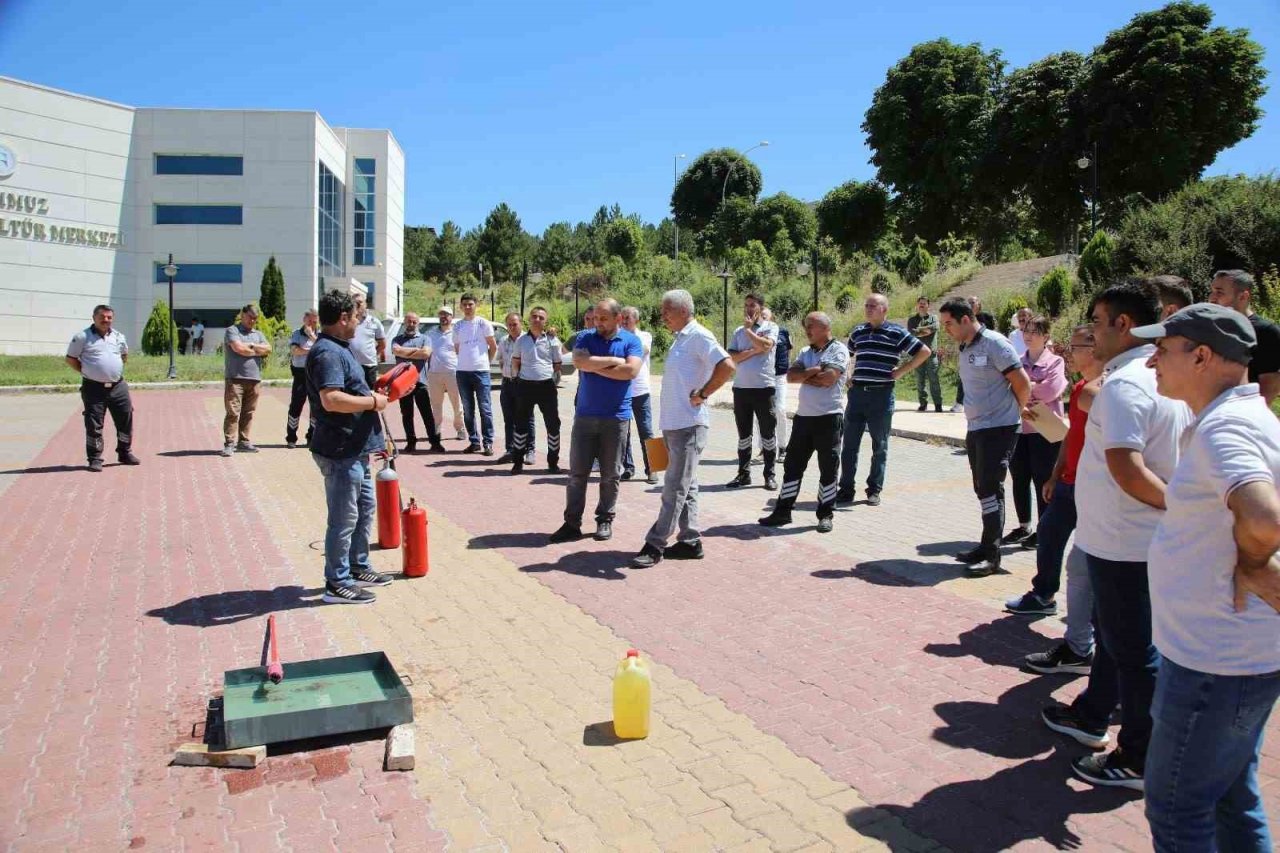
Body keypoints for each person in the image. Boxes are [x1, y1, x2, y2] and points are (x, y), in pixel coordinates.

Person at [1134, 304, 1280, 850]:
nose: (1152, 362)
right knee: (1231, 798)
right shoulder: (1246, 417)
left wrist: (1253, 563)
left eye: (1162, 349)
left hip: (1213, 666)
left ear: (1200, 356)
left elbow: (1265, 518)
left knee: (1176, 808)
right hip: (1232, 659)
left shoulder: (1226, 430)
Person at [1040, 279, 1191, 792]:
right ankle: (1092, 713)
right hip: (1131, 540)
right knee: (1117, 640)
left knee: (1134, 652)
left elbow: (1128, 469)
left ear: (1123, 325)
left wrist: (1180, 509)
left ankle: (1139, 755)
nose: (1091, 335)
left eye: (1099, 324)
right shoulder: (1160, 378)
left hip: (1125, 543)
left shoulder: (1125, 386)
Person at [1011, 326, 1103, 685]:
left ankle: (1085, 642)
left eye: (1078, 347)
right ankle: (1043, 594)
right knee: (1049, 533)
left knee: (1084, 563)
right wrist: (1056, 473)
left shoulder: (1106, 392)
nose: (1071, 353)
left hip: (1094, 488)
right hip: (1068, 481)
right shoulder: (1083, 389)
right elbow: (1070, 436)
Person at [631, 290, 734, 567]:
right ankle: (690, 541)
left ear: (683, 311)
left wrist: (703, 393)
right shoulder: (681, 339)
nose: (662, 315)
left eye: (667, 310)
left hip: (690, 425)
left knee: (674, 488)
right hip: (675, 426)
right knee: (687, 488)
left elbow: (727, 366)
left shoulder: (699, 335)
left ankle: (655, 544)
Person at [305, 289, 393, 605]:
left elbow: (346, 389)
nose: (358, 320)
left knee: (364, 509)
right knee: (343, 518)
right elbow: (331, 399)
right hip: (340, 450)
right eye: (355, 315)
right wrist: (372, 401)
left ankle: (357, 566)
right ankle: (337, 582)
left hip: (356, 448)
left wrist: (371, 392)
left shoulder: (340, 347)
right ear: (343, 318)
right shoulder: (328, 352)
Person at [939, 297, 1030, 577]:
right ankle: (984, 546)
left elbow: (1022, 383)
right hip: (976, 427)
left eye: (948, 324)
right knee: (982, 488)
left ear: (966, 319)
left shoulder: (995, 343)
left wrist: (1017, 412)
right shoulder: (965, 346)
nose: (946, 330)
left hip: (999, 428)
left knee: (991, 489)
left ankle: (992, 556)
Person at [548, 299, 643, 544]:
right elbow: (579, 362)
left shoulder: (631, 341)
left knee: (610, 475)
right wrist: (615, 362)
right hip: (585, 416)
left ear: (618, 318)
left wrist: (595, 366)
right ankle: (572, 523)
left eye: (603, 319)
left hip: (616, 418)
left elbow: (631, 372)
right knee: (577, 474)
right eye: (595, 318)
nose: (598, 323)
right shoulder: (586, 337)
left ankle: (604, 520)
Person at [836, 293, 931, 507]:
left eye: (873, 306)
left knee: (880, 445)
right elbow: (846, 355)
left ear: (884, 310)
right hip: (857, 395)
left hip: (882, 395)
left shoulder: (896, 333)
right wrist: (848, 376)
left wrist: (901, 371)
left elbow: (924, 351)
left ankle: (874, 489)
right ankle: (845, 489)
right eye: (867, 305)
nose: (868, 309)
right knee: (849, 445)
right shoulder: (858, 331)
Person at [758, 312, 849, 533]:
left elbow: (829, 379)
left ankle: (825, 514)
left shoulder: (838, 350)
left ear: (825, 327)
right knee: (792, 466)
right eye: (806, 326)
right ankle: (783, 511)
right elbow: (791, 376)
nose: (807, 330)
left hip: (829, 418)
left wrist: (807, 376)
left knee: (828, 468)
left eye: (811, 326)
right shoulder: (805, 352)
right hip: (804, 418)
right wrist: (814, 371)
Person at [1003, 316, 1067, 548]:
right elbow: (1008, 389)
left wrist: (1025, 389)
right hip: (1021, 428)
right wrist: (1026, 400)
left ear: (1046, 336)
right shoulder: (1017, 361)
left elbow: (1052, 390)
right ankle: (1023, 526)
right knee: (1019, 478)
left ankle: (1045, 529)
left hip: (1046, 429)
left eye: (1035, 331)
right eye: (1026, 330)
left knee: (1044, 480)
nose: (1028, 335)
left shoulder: (1055, 362)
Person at [65, 304, 138, 472]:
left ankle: (125, 453)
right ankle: (95, 458)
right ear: (94, 318)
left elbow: (124, 356)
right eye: (102, 317)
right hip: (93, 388)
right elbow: (71, 359)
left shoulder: (119, 336)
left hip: (118, 386)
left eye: (109, 317)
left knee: (125, 419)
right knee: (94, 423)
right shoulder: (82, 337)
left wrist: (112, 370)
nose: (106, 320)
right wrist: (87, 371)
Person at [726, 294, 780, 491]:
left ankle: (769, 475)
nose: (748, 309)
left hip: (764, 389)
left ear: (760, 308)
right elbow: (732, 357)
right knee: (744, 435)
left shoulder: (771, 327)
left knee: (767, 433)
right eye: (746, 305)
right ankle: (743, 474)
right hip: (741, 389)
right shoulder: (738, 331)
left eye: (753, 305)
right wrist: (753, 350)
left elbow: (766, 346)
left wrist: (750, 334)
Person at [1207, 269, 1280, 405]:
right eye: (1212, 291)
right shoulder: (1212, 328)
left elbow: (1270, 386)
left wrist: (1251, 414)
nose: (1212, 298)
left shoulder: (1266, 332)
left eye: (1219, 292)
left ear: (1243, 296)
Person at [511, 306, 563, 474]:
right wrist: (516, 379)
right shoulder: (521, 341)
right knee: (521, 425)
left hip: (546, 386)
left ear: (545, 321)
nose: (537, 320)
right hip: (525, 385)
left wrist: (554, 381)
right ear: (529, 319)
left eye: (541, 317)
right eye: (534, 316)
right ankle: (517, 461)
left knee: (553, 425)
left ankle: (553, 463)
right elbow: (516, 362)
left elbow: (557, 365)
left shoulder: (552, 340)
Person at [220, 304, 271, 457]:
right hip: (235, 379)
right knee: (233, 412)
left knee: (248, 413)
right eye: (250, 317)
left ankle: (244, 442)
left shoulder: (258, 334)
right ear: (242, 315)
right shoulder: (232, 331)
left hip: (254, 379)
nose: (252, 321)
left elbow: (268, 349)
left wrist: (251, 346)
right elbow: (238, 349)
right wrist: (256, 351)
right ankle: (229, 444)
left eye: (255, 318)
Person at [390, 312, 444, 453]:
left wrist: (405, 352)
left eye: (414, 322)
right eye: (409, 321)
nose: (411, 324)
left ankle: (435, 442)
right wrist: (415, 351)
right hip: (402, 383)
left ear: (418, 323)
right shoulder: (397, 339)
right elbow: (396, 351)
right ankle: (411, 442)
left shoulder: (425, 338)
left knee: (427, 414)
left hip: (420, 381)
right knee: (407, 414)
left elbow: (425, 354)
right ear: (404, 322)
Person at [454, 293, 497, 455]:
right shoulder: (457, 326)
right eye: (464, 304)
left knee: (485, 408)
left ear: (475, 305)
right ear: (461, 306)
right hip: (462, 372)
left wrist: (485, 362)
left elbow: (493, 347)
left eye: (470, 304)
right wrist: (466, 360)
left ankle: (488, 442)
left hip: (481, 372)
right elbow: (457, 348)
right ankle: (474, 441)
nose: (467, 307)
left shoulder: (483, 324)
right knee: (468, 409)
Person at [619, 306, 657, 484]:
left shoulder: (645, 336)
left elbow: (640, 351)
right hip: (621, 390)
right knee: (622, 432)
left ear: (637, 320)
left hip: (641, 391)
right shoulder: (617, 337)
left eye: (628, 318)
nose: (624, 321)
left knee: (647, 431)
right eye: (622, 317)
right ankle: (628, 467)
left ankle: (654, 469)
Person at [497, 312, 535, 465]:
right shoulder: (503, 341)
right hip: (507, 383)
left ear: (521, 324)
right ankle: (510, 449)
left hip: (523, 384)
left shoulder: (528, 340)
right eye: (509, 324)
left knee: (527, 418)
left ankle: (529, 450)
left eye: (515, 324)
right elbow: (500, 360)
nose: (512, 327)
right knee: (509, 419)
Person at [951, 296, 998, 414]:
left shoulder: (987, 317)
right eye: (969, 302)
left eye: (973, 302)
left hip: (984, 352)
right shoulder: (963, 318)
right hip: (968, 351)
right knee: (964, 376)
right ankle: (959, 402)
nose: (971, 304)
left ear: (979, 304)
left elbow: (992, 333)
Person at [425, 306, 466, 441]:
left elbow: (462, 352)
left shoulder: (456, 333)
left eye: (447, 315)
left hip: (452, 373)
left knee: (457, 403)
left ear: (451, 317)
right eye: (441, 314)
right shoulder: (431, 334)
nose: (444, 317)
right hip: (434, 374)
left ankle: (460, 429)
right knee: (436, 404)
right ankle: (436, 429)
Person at [286, 309, 318, 448]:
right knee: (296, 406)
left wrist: (311, 336)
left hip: (315, 374)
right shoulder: (296, 333)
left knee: (315, 408)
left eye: (314, 321)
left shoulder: (319, 335)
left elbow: (323, 348)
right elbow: (295, 351)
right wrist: (311, 350)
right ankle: (291, 437)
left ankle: (312, 437)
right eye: (309, 320)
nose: (312, 323)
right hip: (300, 374)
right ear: (304, 319)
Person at [762, 307, 791, 459]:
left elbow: (788, 350)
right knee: (760, 413)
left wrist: (787, 367)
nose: (763, 317)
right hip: (763, 377)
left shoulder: (783, 332)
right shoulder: (756, 333)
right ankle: (764, 448)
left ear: (772, 316)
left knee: (780, 410)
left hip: (779, 377)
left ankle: (782, 447)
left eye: (765, 315)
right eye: (760, 316)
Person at [907, 296, 943, 412]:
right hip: (917, 354)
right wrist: (925, 331)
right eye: (920, 303)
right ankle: (923, 403)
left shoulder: (934, 318)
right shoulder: (912, 320)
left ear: (928, 305)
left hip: (931, 354)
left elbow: (934, 328)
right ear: (917, 306)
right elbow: (912, 333)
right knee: (919, 380)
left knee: (934, 379)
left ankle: (938, 404)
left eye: (924, 303)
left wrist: (919, 330)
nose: (922, 305)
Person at [349, 290, 385, 388]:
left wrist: (371, 355)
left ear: (365, 304)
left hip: (369, 366)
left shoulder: (374, 322)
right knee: (353, 396)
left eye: (360, 302)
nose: (357, 305)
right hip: (351, 366)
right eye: (355, 303)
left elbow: (382, 344)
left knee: (369, 395)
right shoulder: (347, 322)